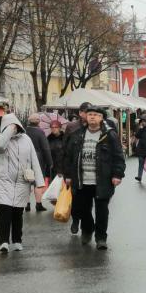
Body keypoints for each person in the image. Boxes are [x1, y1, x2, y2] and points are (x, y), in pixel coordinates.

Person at [63, 106, 125, 250]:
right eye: (90, 114)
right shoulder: (78, 134)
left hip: (102, 180)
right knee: (83, 209)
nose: (92, 117)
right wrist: (68, 175)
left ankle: (101, 237)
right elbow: (69, 156)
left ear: (101, 118)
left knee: (102, 211)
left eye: (95, 115)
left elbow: (118, 156)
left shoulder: (109, 135)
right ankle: (87, 230)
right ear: (85, 116)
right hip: (81, 179)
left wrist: (117, 174)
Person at [0, 114, 46, 253]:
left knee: (17, 213)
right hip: (4, 182)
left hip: (22, 182)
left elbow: (34, 159)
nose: (14, 128)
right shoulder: (1, 138)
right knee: (5, 212)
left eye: (15, 125)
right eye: (11, 125)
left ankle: (17, 240)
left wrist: (39, 182)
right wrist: (8, 131)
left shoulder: (26, 139)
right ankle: (3, 241)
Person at [63, 102, 91, 235]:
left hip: (89, 171)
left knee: (88, 201)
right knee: (76, 199)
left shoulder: (94, 128)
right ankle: (75, 221)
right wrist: (66, 174)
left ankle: (86, 225)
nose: (90, 115)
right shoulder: (72, 127)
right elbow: (66, 152)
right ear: (81, 113)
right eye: (87, 112)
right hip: (74, 171)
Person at [25, 114, 52, 212]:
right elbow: (45, 148)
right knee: (38, 182)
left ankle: (26, 204)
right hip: (38, 159)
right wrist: (50, 162)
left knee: (27, 181)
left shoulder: (24, 131)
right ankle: (38, 204)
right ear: (38, 122)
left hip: (25, 159)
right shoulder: (40, 132)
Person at [133, 115, 146, 183]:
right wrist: (140, 129)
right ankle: (139, 176)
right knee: (141, 162)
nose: (143, 123)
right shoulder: (141, 129)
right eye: (142, 121)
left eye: (144, 121)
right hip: (141, 149)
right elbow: (137, 136)